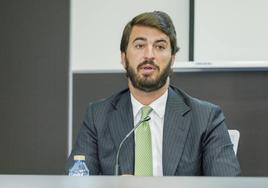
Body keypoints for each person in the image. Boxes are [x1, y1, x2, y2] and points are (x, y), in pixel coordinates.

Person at [65, 11, 240, 176]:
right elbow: (76, 181)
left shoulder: (206, 118)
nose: (149, 55)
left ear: (172, 59)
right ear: (124, 57)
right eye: (140, 45)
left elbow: (226, 183)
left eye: (160, 46)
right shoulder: (98, 116)